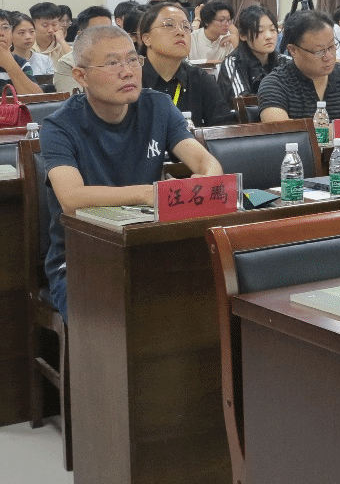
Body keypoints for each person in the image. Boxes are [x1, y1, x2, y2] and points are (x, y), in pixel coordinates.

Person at [41, 24, 223, 319]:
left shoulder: (158, 106)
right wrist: (150, 194)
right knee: (118, 314)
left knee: (207, 295)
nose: (127, 72)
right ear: (81, 76)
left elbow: (207, 164)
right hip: (83, 260)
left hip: (150, 248)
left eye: (132, 60)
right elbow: (71, 198)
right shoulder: (59, 126)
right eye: (113, 63)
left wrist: (204, 182)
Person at [258, 10, 340, 122]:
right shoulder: (275, 84)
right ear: (293, 50)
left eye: (331, 46)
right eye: (318, 51)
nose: (329, 56)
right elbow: (280, 129)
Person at [137, 2, 235, 127]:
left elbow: (224, 126)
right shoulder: (132, 79)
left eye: (185, 27)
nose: (180, 32)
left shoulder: (199, 79)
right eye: (169, 25)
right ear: (146, 38)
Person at [218, 5, 282, 101]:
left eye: (272, 30)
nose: (269, 36)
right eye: (260, 31)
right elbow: (242, 102)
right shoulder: (233, 63)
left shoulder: (284, 61)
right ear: (243, 36)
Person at [53, 6, 113, 93]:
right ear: (81, 35)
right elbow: (74, 98)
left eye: (110, 30)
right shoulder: (67, 63)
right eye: (98, 31)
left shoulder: (122, 59)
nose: (105, 36)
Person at [0, 13, 43, 94]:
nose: (1, 33)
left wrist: (9, 64)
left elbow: (36, 98)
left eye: (5, 27)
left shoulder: (22, 63)